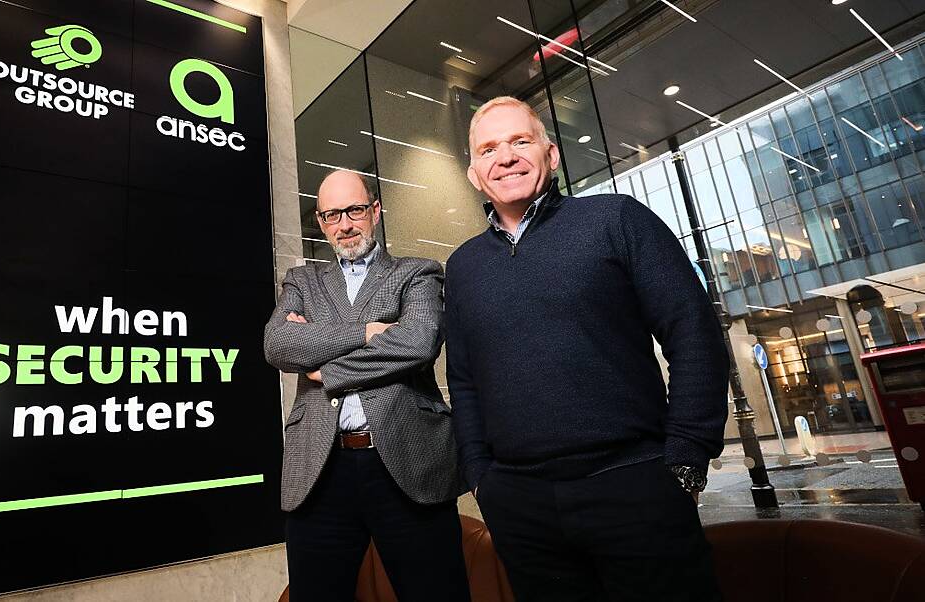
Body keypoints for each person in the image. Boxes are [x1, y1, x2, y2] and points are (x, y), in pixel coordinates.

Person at [445, 96, 728, 601]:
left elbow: (694, 332)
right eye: (489, 148)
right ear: (474, 174)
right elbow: (464, 381)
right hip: (520, 505)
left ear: (551, 155)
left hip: (635, 488)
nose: (505, 156)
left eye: (520, 141)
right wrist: (481, 477)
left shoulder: (616, 220)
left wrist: (685, 457)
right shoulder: (463, 267)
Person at [264, 169, 469, 601]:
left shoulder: (417, 272)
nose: (345, 224)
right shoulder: (303, 281)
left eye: (354, 210)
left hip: (406, 459)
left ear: (374, 211)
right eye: (332, 214)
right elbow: (278, 344)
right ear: (321, 222)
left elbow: (417, 342)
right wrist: (368, 332)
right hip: (320, 470)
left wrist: (325, 368)